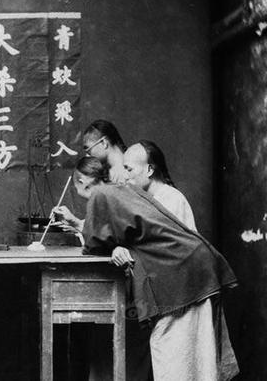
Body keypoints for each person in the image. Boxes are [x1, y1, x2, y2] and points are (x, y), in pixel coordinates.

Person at [80, 158, 239, 381]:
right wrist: (117, 247)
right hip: (191, 267)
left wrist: (111, 246)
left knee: (177, 358)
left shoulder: (102, 195)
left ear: (82, 182)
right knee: (191, 357)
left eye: (129, 168)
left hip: (184, 274)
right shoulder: (128, 192)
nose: (126, 174)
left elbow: (93, 242)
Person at [122, 139, 196, 231]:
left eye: (129, 169)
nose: (124, 176)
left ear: (149, 170)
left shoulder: (174, 200)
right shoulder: (138, 199)